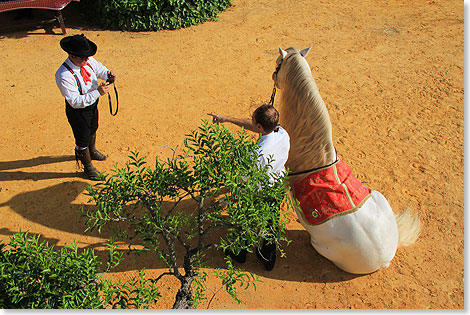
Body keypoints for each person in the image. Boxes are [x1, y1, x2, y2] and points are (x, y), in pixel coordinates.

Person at [208, 104, 290, 271]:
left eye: (253, 121)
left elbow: (244, 182)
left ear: (259, 126)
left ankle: (240, 253)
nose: (250, 122)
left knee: (248, 223)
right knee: (271, 223)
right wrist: (227, 119)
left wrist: (230, 198)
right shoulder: (283, 133)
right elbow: (256, 127)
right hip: (277, 188)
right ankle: (268, 257)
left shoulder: (256, 155)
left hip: (258, 194)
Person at [55, 34, 116, 180]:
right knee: (81, 140)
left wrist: (107, 73)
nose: (87, 59)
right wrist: (97, 92)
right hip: (78, 112)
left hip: (92, 104)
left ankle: (92, 150)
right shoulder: (64, 75)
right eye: (83, 57)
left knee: (93, 127)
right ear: (72, 56)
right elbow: (75, 101)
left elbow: (99, 68)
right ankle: (88, 168)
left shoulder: (86, 60)